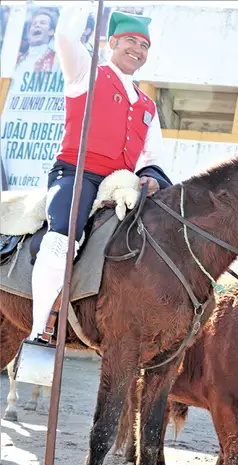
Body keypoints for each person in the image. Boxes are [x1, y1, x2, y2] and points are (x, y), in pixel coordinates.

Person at [25, 6, 172, 346]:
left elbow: (153, 158)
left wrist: (151, 177)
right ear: (112, 42)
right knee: (63, 236)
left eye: (144, 45)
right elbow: (64, 36)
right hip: (76, 172)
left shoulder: (148, 106)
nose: (137, 49)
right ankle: (38, 329)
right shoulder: (86, 74)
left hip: (120, 181)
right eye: (130, 41)